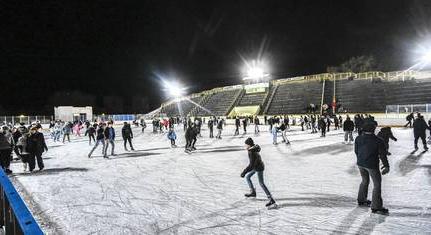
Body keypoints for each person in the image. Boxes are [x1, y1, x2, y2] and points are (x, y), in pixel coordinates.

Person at [355, 121, 389, 215]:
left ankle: (361, 200)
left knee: (364, 181)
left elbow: (356, 151)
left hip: (361, 163)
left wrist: (361, 159)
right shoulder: (378, 140)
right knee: (377, 185)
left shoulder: (358, 138)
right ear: (374, 129)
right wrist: (386, 166)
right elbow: (383, 155)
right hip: (372, 165)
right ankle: (376, 206)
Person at [241, 138, 276, 208]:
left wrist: (244, 172)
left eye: (246, 144)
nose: (245, 146)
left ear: (249, 144)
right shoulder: (253, 149)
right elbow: (253, 164)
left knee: (261, 183)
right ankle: (253, 192)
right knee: (248, 177)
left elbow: (251, 165)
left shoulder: (251, 151)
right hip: (257, 166)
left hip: (258, 168)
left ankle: (271, 199)